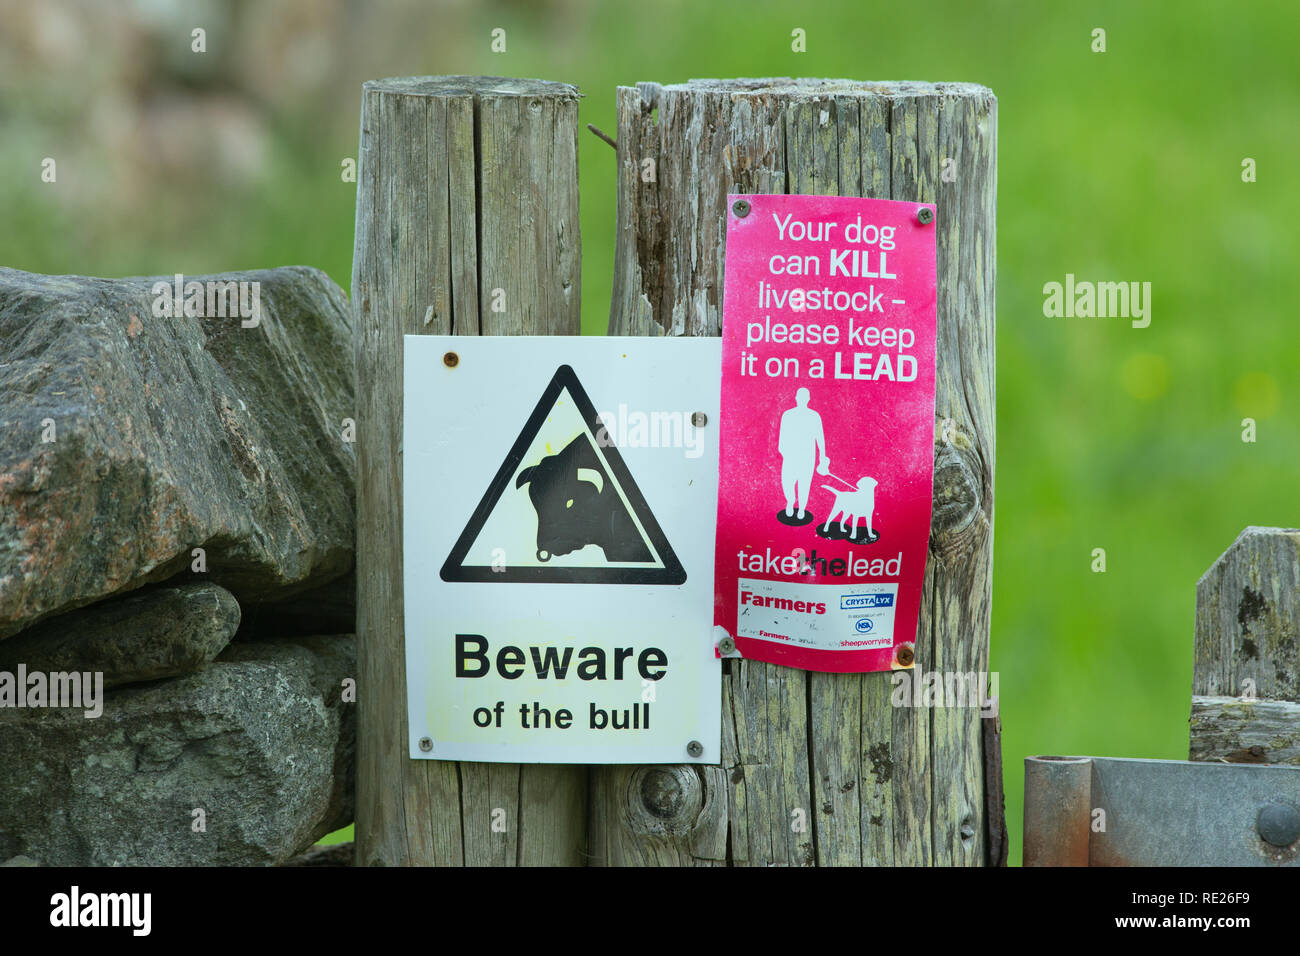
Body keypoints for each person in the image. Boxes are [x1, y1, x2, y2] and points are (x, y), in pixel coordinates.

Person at [777, 387, 829, 520]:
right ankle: (790, 502)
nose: (802, 400)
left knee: (804, 484)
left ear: (808, 399)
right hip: (790, 456)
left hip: (808, 457)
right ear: (796, 398)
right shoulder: (787, 415)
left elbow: (820, 438)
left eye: (805, 397)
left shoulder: (814, 416)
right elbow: (782, 437)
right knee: (787, 482)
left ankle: (801, 509)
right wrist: (784, 452)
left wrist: (822, 457)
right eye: (800, 397)